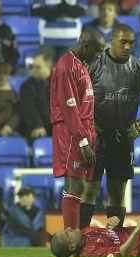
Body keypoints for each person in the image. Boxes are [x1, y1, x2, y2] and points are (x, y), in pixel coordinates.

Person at [85, 23, 140, 229]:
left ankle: (113, 240)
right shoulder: (93, 65)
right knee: (89, 189)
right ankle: (80, 240)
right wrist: (87, 125)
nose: (127, 46)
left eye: (131, 43)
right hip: (95, 135)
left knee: (117, 192)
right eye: (122, 42)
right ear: (111, 41)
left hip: (124, 137)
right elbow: (77, 99)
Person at [50, 28, 105, 230]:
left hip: (83, 131)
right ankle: (71, 237)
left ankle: (77, 237)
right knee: (75, 185)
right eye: (97, 50)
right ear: (85, 45)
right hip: (72, 133)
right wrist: (83, 142)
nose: (99, 55)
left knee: (80, 185)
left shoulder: (80, 64)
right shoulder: (66, 66)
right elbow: (69, 107)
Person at [19, 52, 53, 140]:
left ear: (48, 66)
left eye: (38, 67)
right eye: (32, 67)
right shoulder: (27, 86)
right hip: (37, 128)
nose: (33, 70)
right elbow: (29, 108)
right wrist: (37, 125)